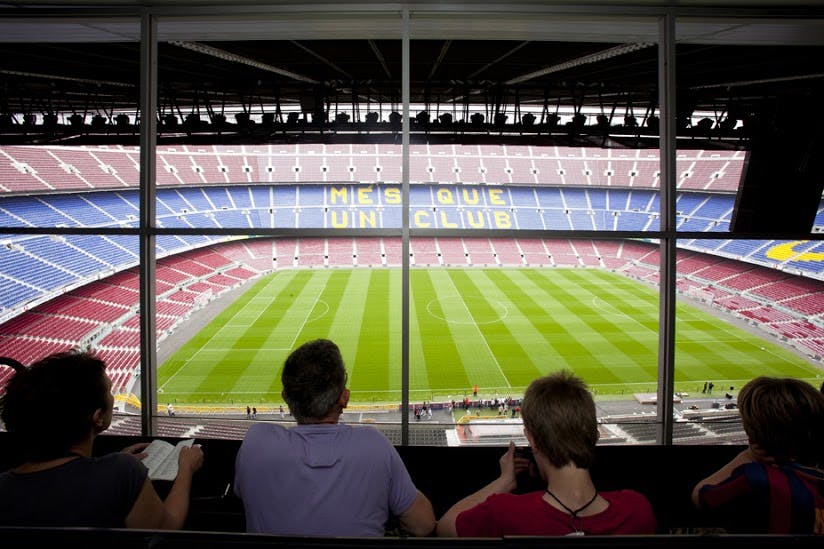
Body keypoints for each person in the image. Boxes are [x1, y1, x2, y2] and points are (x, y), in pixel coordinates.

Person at [233, 338, 435, 537]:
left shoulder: (256, 444)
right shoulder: (374, 446)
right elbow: (423, 525)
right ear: (344, 398)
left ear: (285, 397)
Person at [437, 370, 656, 537]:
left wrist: (504, 481)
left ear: (531, 439)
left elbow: (444, 527)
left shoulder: (503, 513)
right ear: (594, 434)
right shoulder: (638, 510)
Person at [0, 351, 204, 529]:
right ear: (97, 417)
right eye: (109, 390)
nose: (113, 397)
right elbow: (166, 526)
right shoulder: (122, 471)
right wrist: (185, 469)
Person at [691, 376, 824, 534]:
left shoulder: (755, 478)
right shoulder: (816, 479)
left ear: (753, 437)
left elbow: (701, 496)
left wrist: (749, 456)